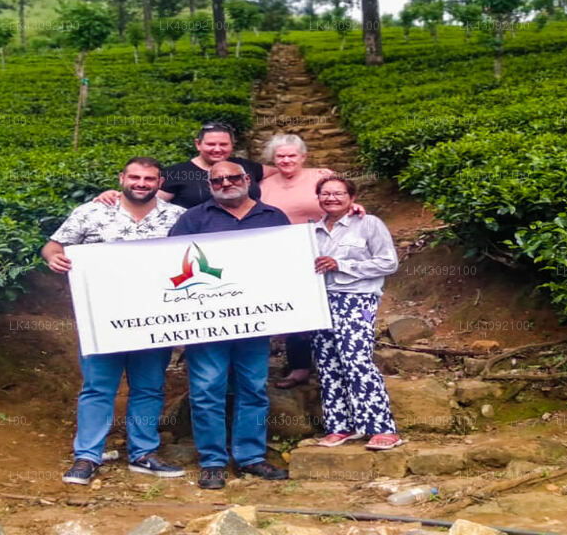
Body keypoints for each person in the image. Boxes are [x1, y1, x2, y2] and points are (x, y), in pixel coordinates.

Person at [41, 157, 188, 485]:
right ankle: (87, 456)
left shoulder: (178, 218)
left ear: (159, 183)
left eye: (149, 178)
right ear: (121, 178)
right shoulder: (91, 212)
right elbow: (52, 244)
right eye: (134, 177)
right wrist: (54, 257)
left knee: (149, 387)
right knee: (97, 387)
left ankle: (143, 453)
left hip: (156, 317)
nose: (141, 183)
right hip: (101, 316)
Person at [168, 160, 292, 489]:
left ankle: (251, 457)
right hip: (205, 323)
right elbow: (168, 262)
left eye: (232, 177)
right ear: (209, 185)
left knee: (253, 389)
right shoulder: (194, 218)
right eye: (217, 179)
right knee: (207, 390)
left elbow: (287, 262)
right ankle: (212, 461)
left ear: (247, 179)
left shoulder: (273, 217)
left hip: (254, 322)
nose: (225, 182)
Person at [309, 175, 403, 451]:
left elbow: (388, 262)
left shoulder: (368, 224)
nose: (331, 198)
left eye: (338, 193)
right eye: (325, 194)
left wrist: (342, 264)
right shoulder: (311, 231)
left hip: (356, 300)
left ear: (351, 198)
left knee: (356, 360)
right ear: (318, 198)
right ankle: (340, 426)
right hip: (319, 301)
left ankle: (381, 427)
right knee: (327, 363)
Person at [258, 133, 332, 390]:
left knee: (328, 306)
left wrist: (356, 208)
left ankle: (331, 363)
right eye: (281, 156)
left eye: (292, 155)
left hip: (322, 250)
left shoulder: (321, 176)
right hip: (280, 254)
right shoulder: (263, 183)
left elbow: (342, 200)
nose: (286, 160)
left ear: (303, 157)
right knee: (295, 311)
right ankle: (299, 366)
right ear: (273, 159)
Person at [95, 122, 269, 209]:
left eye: (224, 144)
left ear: (232, 145)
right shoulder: (177, 173)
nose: (217, 149)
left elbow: (282, 173)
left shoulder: (244, 166)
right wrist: (116, 195)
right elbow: (147, 198)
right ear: (198, 144)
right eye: (211, 144)